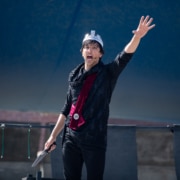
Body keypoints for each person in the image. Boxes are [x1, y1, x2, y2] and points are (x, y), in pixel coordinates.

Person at [45, 15, 155, 180]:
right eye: (87, 47)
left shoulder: (108, 73)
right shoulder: (74, 76)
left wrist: (137, 36)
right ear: (82, 51)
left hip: (94, 140)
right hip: (70, 138)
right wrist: (53, 136)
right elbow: (66, 108)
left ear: (101, 53)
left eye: (95, 47)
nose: (90, 50)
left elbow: (124, 56)